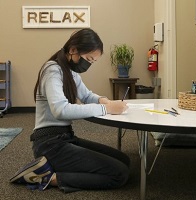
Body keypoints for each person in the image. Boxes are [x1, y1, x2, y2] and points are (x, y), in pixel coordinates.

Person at [9, 28, 130, 193]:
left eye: (93, 61)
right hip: (49, 144)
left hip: (65, 137)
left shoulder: (70, 72)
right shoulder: (52, 70)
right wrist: (106, 108)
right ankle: (46, 177)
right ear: (73, 50)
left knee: (124, 160)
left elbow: (86, 95)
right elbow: (60, 110)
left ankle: (61, 169)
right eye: (88, 59)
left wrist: (104, 100)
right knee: (119, 174)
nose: (89, 64)